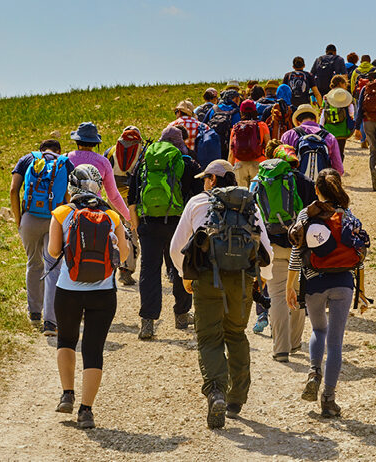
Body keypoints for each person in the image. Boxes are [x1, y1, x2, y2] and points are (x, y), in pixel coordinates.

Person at [169, 159, 274, 428]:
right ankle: (236, 399)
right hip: (241, 280)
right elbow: (266, 250)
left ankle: (216, 391)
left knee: (208, 337)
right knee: (236, 334)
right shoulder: (249, 204)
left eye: (206, 178)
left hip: (207, 279)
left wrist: (185, 276)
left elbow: (176, 246)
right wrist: (263, 278)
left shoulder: (197, 203)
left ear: (213, 180)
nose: (204, 182)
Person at [48, 164, 129, 430]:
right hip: (103, 293)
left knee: (67, 340)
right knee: (93, 350)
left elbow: (52, 250)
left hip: (68, 290)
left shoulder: (61, 213)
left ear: (71, 186)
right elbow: (125, 256)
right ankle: (86, 411)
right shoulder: (112, 216)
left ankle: (67, 394)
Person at [287, 168, 369, 418]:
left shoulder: (306, 214)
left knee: (318, 330)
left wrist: (291, 285)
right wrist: (362, 291)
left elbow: (296, 253)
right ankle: (328, 400)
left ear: (316, 190)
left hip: (314, 283)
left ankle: (313, 372)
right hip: (343, 283)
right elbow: (360, 255)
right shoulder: (349, 215)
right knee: (335, 342)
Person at [127, 126, 202, 339]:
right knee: (181, 266)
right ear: (179, 143)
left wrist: (137, 228)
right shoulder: (186, 163)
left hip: (148, 225)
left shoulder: (144, 162)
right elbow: (198, 197)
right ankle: (181, 314)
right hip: (178, 224)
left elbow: (132, 198)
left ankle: (148, 323)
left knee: (149, 271)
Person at [252, 142, 318, 360]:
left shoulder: (261, 181)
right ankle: (295, 342)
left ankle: (280, 349)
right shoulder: (306, 182)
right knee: (298, 295)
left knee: (279, 295)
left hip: (272, 247)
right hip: (298, 248)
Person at [11, 139, 74, 335]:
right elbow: (70, 193)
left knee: (33, 263)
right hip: (55, 218)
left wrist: (18, 219)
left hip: (30, 218)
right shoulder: (65, 162)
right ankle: (51, 322)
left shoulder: (27, 159)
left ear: (40, 151)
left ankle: (34, 314)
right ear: (59, 150)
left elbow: (14, 190)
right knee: (52, 266)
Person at [65, 123, 132, 222]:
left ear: (77, 141)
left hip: (70, 210)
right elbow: (113, 195)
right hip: (96, 211)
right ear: (95, 143)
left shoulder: (66, 158)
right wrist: (129, 217)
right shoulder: (103, 162)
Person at [103, 127, 143, 286]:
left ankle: (108, 267)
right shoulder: (141, 151)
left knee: (112, 231)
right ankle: (126, 271)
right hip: (131, 200)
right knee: (131, 232)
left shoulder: (111, 151)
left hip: (112, 198)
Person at [280, 104, 345, 177]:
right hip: (320, 183)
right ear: (314, 119)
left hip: (296, 184)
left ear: (297, 121)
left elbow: (280, 164)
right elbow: (339, 169)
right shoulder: (330, 137)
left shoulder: (288, 136)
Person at [228, 100, 271, 186]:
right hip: (258, 163)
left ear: (241, 112)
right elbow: (268, 147)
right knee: (257, 194)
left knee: (242, 196)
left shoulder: (236, 127)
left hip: (239, 165)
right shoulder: (262, 125)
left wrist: (229, 169)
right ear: (255, 111)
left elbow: (231, 151)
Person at [320, 77, 356, 156]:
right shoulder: (345, 95)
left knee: (329, 152)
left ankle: (330, 167)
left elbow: (323, 113)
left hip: (328, 129)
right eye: (344, 84)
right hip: (342, 130)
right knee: (340, 152)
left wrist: (321, 126)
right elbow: (351, 112)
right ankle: (339, 167)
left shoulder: (326, 97)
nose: (345, 86)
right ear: (340, 83)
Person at [206, 90, 242, 159]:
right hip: (227, 146)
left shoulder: (214, 108)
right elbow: (236, 130)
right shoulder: (235, 111)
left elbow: (204, 124)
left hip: (213, 143)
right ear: (236, 98)